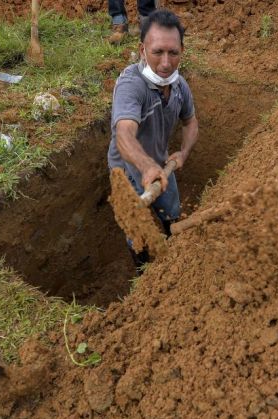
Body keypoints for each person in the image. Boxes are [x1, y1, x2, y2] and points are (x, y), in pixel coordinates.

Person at [107, 9, 199, 269]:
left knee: (172, 214)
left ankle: (174, 259)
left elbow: (190, 123)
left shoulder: (179, 86)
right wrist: (146, 167)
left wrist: (183, 152)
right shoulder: (130, 85)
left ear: (182, 50)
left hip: (160, 166)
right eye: (158, 52)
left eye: (173, 53)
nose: (166, 63)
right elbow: (124, 133)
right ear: (142, 50)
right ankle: (144, 276)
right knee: (137, 233)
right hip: (126, 172)